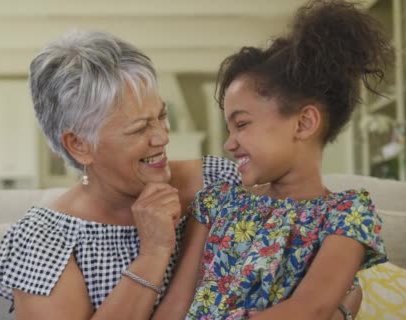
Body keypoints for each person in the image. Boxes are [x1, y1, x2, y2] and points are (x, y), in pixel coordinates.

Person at [0, 29, 363, 320]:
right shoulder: (42, 239)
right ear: (80, 145)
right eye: (138, 129)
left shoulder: (221, 184)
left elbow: (307, 254)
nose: (162, 137)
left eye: (162, 116)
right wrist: (154, 252)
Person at [154, 1, 391, 319]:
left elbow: (311, 309)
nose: (229, 143)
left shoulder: (346, 214)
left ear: (303, 123)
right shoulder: (217, 202)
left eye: (242, 124)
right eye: (228, 128)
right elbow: (175, 305)